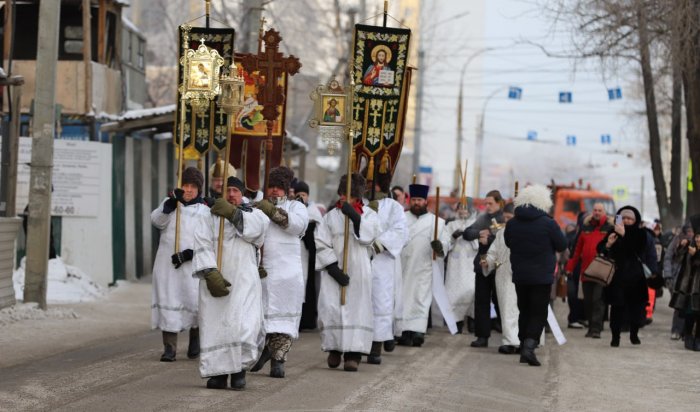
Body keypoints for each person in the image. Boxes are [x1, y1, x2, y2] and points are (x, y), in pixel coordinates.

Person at [192, 176, 270, 390]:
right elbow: (201, 242)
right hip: (218, 279)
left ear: (242, 193)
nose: (231, 194)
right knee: (217, 325)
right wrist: (209, 271)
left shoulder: (255, 214)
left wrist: (233, 214)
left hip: (244, 279)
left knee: (244, 324)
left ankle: (239, 370)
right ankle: (218, 373)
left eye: (235, 190)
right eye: (228, 190)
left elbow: (258, 234)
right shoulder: (207, 216)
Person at [315, 173, 381, 371]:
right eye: (343, 194)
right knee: (331, 307)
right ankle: (335, 349)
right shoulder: (330, 217)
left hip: (358, 268)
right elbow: (321, 242)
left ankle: (354, 354)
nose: (345, 198)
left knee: (356, 309)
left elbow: (371, 237)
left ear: (358, 196)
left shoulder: (369, 215)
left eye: (350, 195)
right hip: (335, 269)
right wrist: (332, 268)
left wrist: (355, 217)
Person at [250, 166, 309, 378]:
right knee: (262, 315)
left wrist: (272, 212)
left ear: (287, 189)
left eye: (279, 188)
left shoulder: (296, 206)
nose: (275, 191)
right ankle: (262, 351)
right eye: (272, 187)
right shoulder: (258, 206)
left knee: (283, 317)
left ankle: (278, 360)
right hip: (264, 270)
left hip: (288, 273)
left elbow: (298, 225)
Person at [150, 167, 209, 362]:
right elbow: (157, 220)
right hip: (168, 265)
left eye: (193, 186)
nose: (189, 190)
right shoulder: (172, 204)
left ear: (199, 189)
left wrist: (190, 254)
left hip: (191, 265)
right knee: (169, 301)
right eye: (186, 185)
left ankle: (195, 338)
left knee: (193, 302)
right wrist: (169, 205)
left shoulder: (205, 210)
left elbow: (209, 239)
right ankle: (169, 347)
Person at [504, 185, 567, 366]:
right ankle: (529, 347)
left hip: (520, 274)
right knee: (538, 312)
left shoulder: (513, 223)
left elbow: (508, 243)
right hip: (542, 276)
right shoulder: (549, 223)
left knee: (524, 310)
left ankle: (524, 343)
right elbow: (562, 245)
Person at [363, 169, 408, 364]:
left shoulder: (393, 207)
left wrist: (379, 244)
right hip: (360, 261)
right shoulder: (360, 203)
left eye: (369, 182)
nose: (366, 185)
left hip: (382, 262)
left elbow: (401, 232)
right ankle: (358, 344)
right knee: (360, 302)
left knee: (380, 302)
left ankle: (376, 346)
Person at [398, 183, 451, 347]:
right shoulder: (401, 218)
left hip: (424, 267)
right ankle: (403, 332)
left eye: (419, 200)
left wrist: (439, 247)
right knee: (402, 298)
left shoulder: (437, 223)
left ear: (426, 201)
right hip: (403, 266)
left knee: (421, 298)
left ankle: (418, 331)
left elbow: (446, 243)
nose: (416, 203)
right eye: (413, 199)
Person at [597, 206, 648, 347]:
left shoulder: (640, 233)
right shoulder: (613, 232)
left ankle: (634, 334)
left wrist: (624, 235)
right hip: (617, 276)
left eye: (630, 218)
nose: (626, 220)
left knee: (636, 308)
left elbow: (638, 249)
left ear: (635, 220)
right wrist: (608, 244)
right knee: (616, 308)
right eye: (624, 217)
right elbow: (600, 248)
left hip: (635, 277)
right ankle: (615, 337)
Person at [462, 190, 505, 348]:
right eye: (485, 203)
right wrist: (480, 233)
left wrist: (491, 238)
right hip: (482, 264)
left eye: (490, 203)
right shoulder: (484, 218)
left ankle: (509, 335)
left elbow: (507, 238)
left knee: (502, 302)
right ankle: (482, 336)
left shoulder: (505, 217)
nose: (487, 206)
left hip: (501, 266)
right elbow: (467, 233)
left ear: (499, 203)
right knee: (481, 302)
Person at [565, 203, 613, 338]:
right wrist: (569, 268)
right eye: (595, 210)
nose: (597, 212)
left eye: (600, 210)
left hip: (602, 270)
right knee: (588, 301)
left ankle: (596, 329)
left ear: (604, 213)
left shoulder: (610, 228)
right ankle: (591, 327)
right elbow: (576, 250)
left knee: (598, 299)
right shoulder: (585, 228)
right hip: (586, 270)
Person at [483, 202, 520, 354]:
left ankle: (522, 340)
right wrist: (488, 261)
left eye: (509, 218)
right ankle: (509, 341)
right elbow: (493, 252)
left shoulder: (525, 232)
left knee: (520, 309)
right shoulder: (501, 233)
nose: (506, 221)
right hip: (504, 276)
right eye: (505, 218)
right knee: (506, 309)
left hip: (520, 274)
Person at [444, 198, 478, 334]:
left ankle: (472, 320)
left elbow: (480, 243)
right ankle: (456, 321)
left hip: (471, 263)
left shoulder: (477, 223)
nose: (463, 211)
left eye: (465, 208)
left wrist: (471, 236)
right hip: (455, 264)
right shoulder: (451, 224)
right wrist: (453, 237)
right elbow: (446, 243)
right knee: (454, 292)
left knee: (472, 290)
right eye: (460, 208)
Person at [293, 180, 324, 331]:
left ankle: (308, 319)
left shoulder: (313, 212)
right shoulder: (292, 210)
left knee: (309, 286)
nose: (301, 197)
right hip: (294, 256)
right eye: (298, 194)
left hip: (308, 257)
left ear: (308, 196)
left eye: (303, 194)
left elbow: (318, 234)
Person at [669, 215, 700, 351]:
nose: (698, 239)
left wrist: (697, 255)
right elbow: (677, 257)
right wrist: (682, 247)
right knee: (689, 314)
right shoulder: (689, 246)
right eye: (697, 236)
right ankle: (687, 336)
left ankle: (698, 339)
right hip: (688, 288)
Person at [664, 221, 695, 340]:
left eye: (692, 231)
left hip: (691, 279)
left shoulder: (696, 242)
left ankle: (685, 332)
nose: (690, 234)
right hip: (677, 278)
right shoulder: (677, 240)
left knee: (689, 306)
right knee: (679, 305)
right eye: (688, 231)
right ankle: (676, 330)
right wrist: (668, 275)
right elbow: (668, 257)